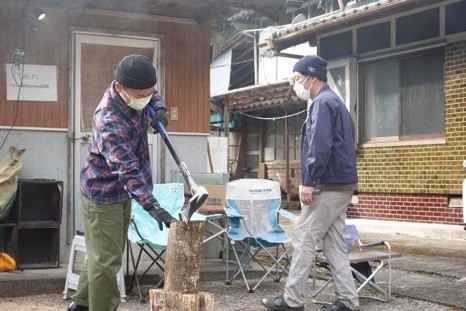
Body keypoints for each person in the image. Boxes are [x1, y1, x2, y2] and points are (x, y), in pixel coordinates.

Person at [68, 54, 177, 311]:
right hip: (103, 192)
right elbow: (126, 168)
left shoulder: (135, 86)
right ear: (119, 88)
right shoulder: (109, 120)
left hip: (123, 192)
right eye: (140, 95)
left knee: (104, 253)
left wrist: (159, 107)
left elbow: (152, 92)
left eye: (148, 94)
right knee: (107, 260)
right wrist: (151, 204)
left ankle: (82, 304)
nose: (144, 99)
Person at [261, 55, 359, 311]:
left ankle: (292, 301)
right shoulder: (335, 101)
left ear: (312, 77)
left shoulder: (322, 103)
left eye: (297, 79)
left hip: (328, 184)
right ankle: (348, 301)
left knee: (303, 237)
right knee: (333, 243)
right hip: (341, 183)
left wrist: (309, 180)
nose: (296, 84)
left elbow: (320, 144)